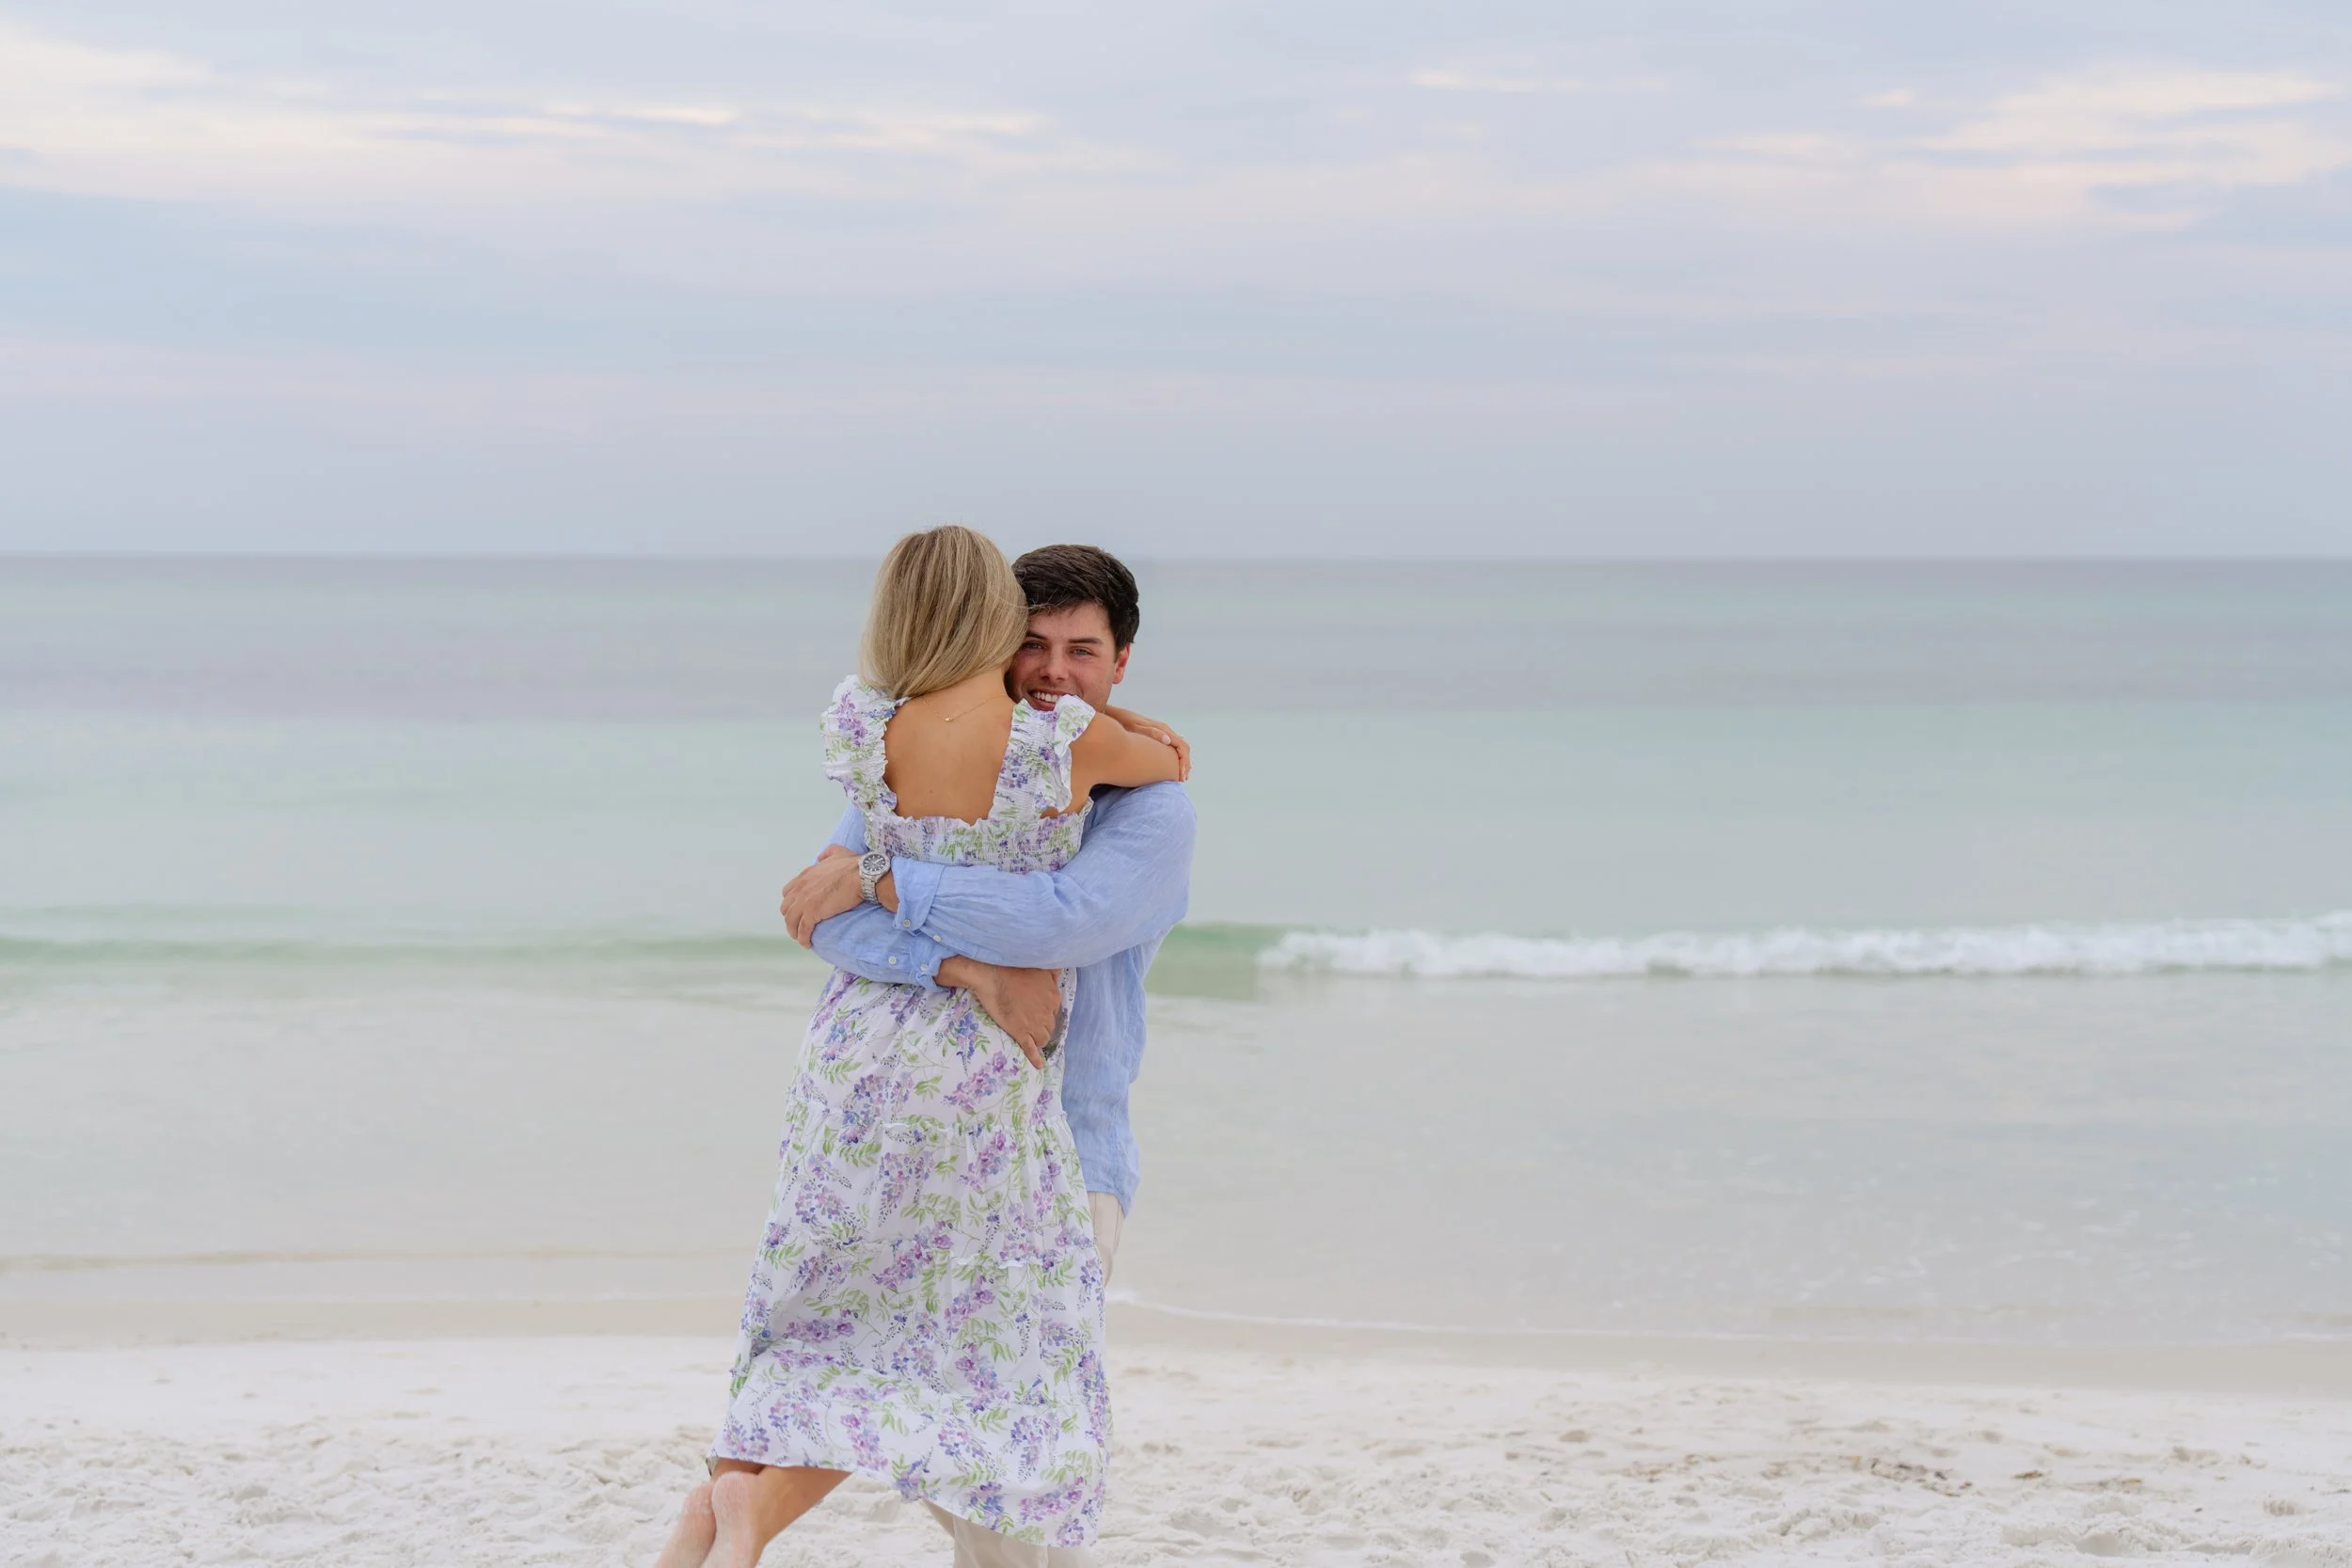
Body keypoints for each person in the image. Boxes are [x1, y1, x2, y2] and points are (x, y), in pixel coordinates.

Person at [654, 527, 1183, 1568]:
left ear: (1121, 655)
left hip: (855, 1064)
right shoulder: (1067, 750)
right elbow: (828, 910)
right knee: (994, 1382)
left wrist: (883, 874)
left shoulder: (867, 732)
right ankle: (745, 1502)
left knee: (836, 1326)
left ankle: (729, 1503)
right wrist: (964, 962)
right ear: (996, 631)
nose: (1053, 671)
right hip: (988, 1091)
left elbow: (1061, 922)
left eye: (1082, 652)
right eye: (1034, 642)